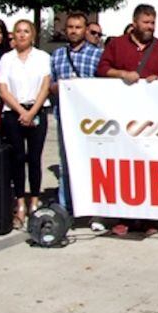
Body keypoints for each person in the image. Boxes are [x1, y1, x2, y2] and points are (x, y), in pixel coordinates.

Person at [0, 19, 52, 229]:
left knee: (34, 158)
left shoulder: (42, 57)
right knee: (17, 158)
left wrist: (32, 112)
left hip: (36, 109)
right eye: (18, 31)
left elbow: (45, 87)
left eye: (26, 31)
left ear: (33, 35)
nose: (21, 35)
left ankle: (35, 201)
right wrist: (21, 112)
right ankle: (19, 202)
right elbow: (3, 90)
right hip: (14, 112)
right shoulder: (6, 59)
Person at [49, 12, 103, 217]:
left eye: (78, 27)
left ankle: (93, 208)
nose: (73, 31)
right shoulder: (57, 55)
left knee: (92, 162)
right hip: (65, 116)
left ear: (85, 30)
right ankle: (66, 207)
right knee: (66, 162)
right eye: (70, 27)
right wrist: (58, 87)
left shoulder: (97, 54)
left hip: (91, 119)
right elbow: (50, 84)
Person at [98, 4, 158, 84]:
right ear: (135, 23)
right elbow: (102, 69)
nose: (150, 27)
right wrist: (123, 74)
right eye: (146, 22)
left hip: (151, 95)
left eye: (152, 23)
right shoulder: (117, 44)